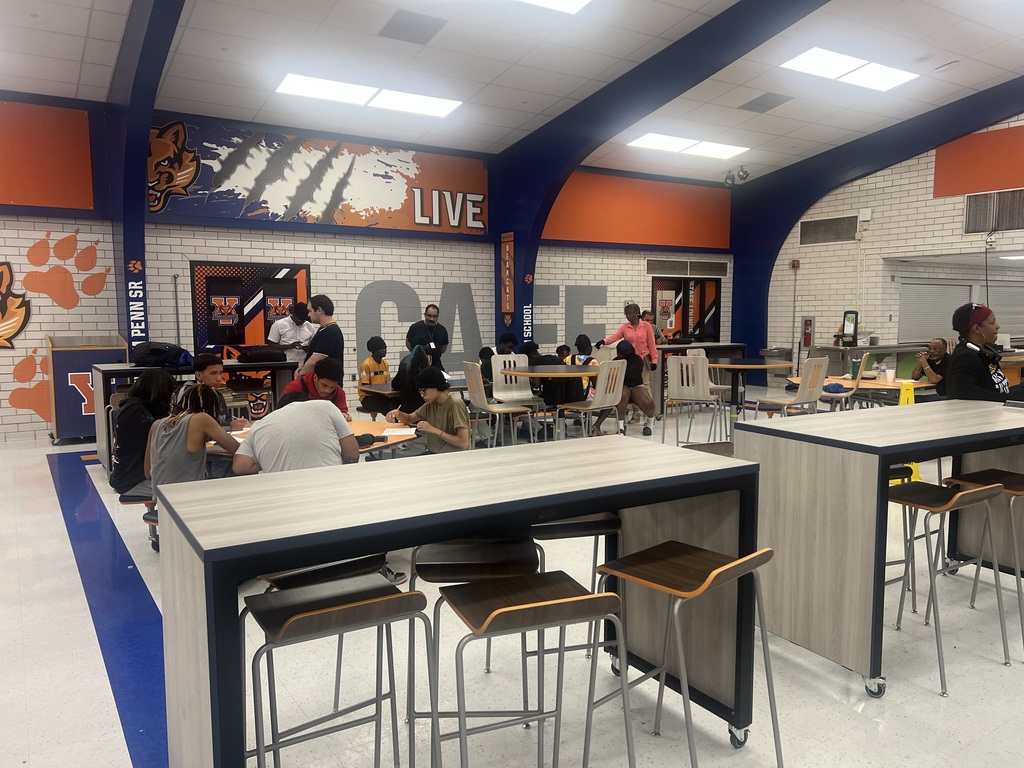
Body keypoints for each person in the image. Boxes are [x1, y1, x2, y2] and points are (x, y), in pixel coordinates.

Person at [144, 383, 240, 497]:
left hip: (160, 499)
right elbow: (237, 449)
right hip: (188, 498)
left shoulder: (156, 425)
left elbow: (148, 473)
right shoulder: (201, 418)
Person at [232, 392, 359, 474]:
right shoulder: (326, 406)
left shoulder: (259, 424)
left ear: (279, 409)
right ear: (308, 402)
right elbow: (352, 454)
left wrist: (267, 461)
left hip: (283, 497)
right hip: (330, 488)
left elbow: (240, 467)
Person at [109, 369, 176, 497]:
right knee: (187, 489)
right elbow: (163, 444)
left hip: (127, 476)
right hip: (133, 481)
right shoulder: (138, 415)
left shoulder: (133, 407)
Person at [595, 303, 658, 431]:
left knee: (644, 386)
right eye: (626, 314)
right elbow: (615, 337)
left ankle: (650, 416)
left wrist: (654, 360)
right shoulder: (625, 327)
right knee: (627, 388)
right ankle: (636, 413)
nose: (628, 316)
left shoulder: (646, 326)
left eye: (630, 313)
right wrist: (604, 341)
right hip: (628, 361)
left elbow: (651, 343)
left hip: (642, 359)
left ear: (637, 313)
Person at [947, 303, 1024, 401]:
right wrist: (1011, 398)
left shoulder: (985, 354)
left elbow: (997, 391)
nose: (997, 326)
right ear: (976, 328)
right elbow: (964, 393)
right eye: (992, 323)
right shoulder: (966, 357)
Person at [386, 366, 470, 453]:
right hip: (433, 453)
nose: (422, 395)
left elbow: (463, 443)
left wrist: (434, 430)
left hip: (451, 455)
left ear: (434, 386)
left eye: (423, 391)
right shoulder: (431, 404)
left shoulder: (455, 404)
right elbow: (409, 418)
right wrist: (397, 414)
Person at [592, 341, 656, 436]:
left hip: (636, 385)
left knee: (647, 401)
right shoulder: (616, 361)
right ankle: (620, 426)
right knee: (621, 395)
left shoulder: (637, 360)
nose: (620, 356)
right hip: (622, 385)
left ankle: (650, 423)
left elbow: (632, 375)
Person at [194, 353, 250, 431]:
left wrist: (237, 422)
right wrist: (230, 427)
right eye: (213, 373)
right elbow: (198, 429)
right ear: (199, 375)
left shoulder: (217, 395)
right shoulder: (190, 395)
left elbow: (225, 419)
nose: (219, 378)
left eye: (220, 373)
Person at [281, 356, 351, 419]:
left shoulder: (339, 393)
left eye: (332, 387)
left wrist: (344, 415)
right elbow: (281, 412)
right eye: (324, 385)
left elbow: (343, 412)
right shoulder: (296, 387)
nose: (327, 390)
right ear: (315, 377)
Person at [296, 294, 344, 377]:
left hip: (326, 382)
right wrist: (303, 367)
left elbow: (314, 361)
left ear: (319, 310)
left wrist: (300, 375)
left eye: (310, 311)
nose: (308, 315)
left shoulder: (329, 332)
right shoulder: (325, 329)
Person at [358, 336, 396, 415]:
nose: (384, 350)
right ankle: (392, 420)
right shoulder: (366, 364)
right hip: (367, 397)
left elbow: (387, 384)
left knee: (397, 401)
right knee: (385, 404)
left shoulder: (385, 364)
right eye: (381, 349)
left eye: (385, 348)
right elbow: (365, 388)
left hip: (382, 396)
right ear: (374, 350)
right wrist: (380, 394)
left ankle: (397, 419)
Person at [406, 303, 449, 371]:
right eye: (429, 315)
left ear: (438, 316)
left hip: (436, 364)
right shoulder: (415, 327)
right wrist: (416, 353)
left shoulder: (442, 330)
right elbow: (408, 343)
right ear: (425, 315)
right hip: (417, 365)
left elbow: (443, 348)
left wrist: (435, 353)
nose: (431, 319)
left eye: (434, 316)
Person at [393, 344, 431, 413]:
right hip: (424, 412)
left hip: (406, 411)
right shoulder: (428, 373)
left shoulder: (404, 365)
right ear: (427, 358)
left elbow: (395, 385)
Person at [567, 334, 599, 401]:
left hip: (569, 396)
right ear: (589, 347)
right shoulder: (593, 362)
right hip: (586, 398)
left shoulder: (568, 359)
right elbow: (596, 384)